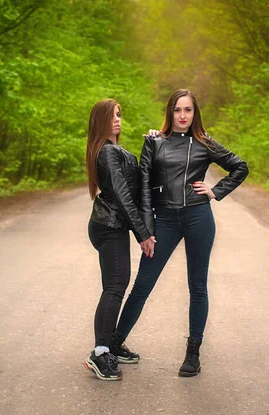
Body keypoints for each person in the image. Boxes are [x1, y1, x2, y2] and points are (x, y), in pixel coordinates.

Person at [110, 89, 249, 377]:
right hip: (165, 221)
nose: (183, 116)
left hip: (198, 217)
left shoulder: (204, 143)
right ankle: (113, 344)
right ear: (170, 112)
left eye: (188, 110)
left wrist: (215, 191)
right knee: (143, 284)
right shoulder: (154, 142)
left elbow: (239, 167)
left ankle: (193, 354)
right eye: (177, 110)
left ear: (194, 113)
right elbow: (145, 189)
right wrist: (146, 229)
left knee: (197, 286)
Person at [84, 99, 156, 381]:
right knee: (114, 287)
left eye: (119, 115)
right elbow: (124, 196)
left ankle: (111, 346)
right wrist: (143, 234)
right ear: (100, 121)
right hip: (109, 225)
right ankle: (100, 353)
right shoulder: (106, 153)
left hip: (113, 224)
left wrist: (149, 147)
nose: (118, 120)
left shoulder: (115, 150)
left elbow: (138, 183)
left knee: (116, 286)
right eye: (112, 116)